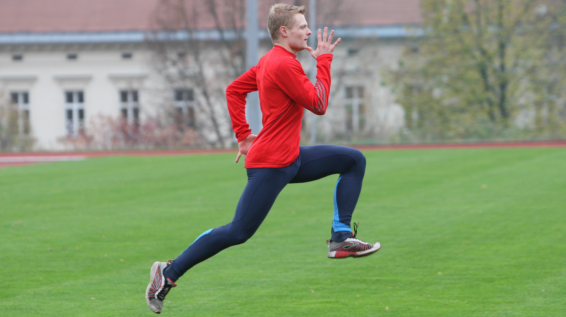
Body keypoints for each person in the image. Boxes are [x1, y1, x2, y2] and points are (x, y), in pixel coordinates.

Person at [146, 3, 380, 314]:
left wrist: (244, 135)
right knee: (238, 231)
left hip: (290, 157)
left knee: (353, 161)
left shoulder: (271, 61)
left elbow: (233, 90)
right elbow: (319, 103)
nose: (309, 31)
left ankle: (341, 238)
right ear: (284, 31)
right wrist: (324, 61)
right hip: (272, 163)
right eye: (302, 27)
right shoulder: (283, 64)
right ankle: (168, 272)